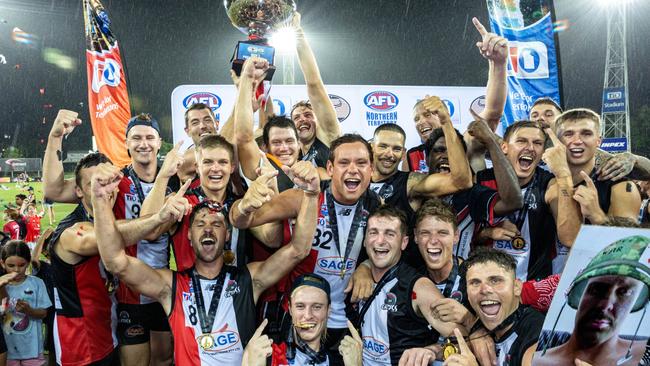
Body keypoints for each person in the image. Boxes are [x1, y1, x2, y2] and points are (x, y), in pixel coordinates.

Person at [92, 157, 320, 365]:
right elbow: (115, 262)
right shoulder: (170, 286)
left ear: (228, 235)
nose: (208, 229)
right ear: (189, 236)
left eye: (217, 224)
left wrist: (310, 195)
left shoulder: (249, 279)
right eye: (200, 224)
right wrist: (101, 199)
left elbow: (298, 249)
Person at [230, 134, 381, 365]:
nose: (353, 170)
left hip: (345, 320)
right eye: (344, 163)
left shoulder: (374, 204)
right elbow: (240, 221)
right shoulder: (304, 196)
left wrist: (366, 265)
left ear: (371, 169)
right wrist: (244, 205)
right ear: (330, 168)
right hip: (298, 316)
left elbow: (390, 253)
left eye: (361, 163)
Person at [43, 110, 176, 365]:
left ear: (160, 142)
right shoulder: (111, 180)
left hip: (161, 287)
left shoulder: (174, 176)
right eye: (136, 137)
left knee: (164, 359)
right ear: (126, 143)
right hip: (126, 294)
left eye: (150, 137)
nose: (143, 143)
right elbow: (53, 189)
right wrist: (56, 137)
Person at [350, 205, 465, 365]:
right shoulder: (357, 277)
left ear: (404, 242)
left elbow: (463, 341)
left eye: (390, 234)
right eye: (373, 232)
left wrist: (432, 352)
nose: (380, 240)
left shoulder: (419, 287)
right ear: (364, 240)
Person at [369, 97, 472, 267]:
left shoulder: (411, 183)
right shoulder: (357, 181)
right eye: (383, 146)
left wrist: (446, 122)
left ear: (403, 153)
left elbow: (462, 181)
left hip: (401, 275)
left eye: (396, 149)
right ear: (371, 147)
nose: (389, 154)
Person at [476, 121, 582, 280]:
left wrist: (564, 176)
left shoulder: (549, 184)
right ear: (504, 147)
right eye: (521, 141)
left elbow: (571, 238)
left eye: (537, 143)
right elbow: (461, 238)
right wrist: (487, 233)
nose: (530, 148)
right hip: (487, 283)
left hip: (531, 289)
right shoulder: (482, 179)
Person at [408, 17, 508, 173]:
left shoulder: (466, 144)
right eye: (416, 119)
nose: (421, 121)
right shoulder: (412, 156)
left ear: (445, 115)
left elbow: (493, 112)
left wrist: (499, 64)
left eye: (427, 114)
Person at [534, 235, 650, 366]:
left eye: (624, 292)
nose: (606, 305)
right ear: (579, 295)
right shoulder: (537, 358)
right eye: (597, 290)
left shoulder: (645, 355)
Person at [426, 114, 523, 259]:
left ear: (462, 159)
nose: (446, 156)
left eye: (453, 152)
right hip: (417, 278)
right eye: (439, 150)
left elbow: (513, 202)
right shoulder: (414, 189)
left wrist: (491, 142)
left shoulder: (472, 194)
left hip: (460, 277)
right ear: (427, 158)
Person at [445, 247, 545, 366]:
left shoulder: (537, 333)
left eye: (495, 280)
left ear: (517, 287)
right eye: (475, 283)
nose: (484, 290)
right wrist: (429, 352)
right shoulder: (480, 326)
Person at [242, 274, 363, 366]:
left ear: (328, 311)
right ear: (290, 309)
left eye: (317, 307)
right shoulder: (265, 357)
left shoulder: (344, 362)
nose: (308, 315)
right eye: (300, 306)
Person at [554, 108, 642, 225]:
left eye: (586, 134)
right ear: (558, 141)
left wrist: (596, 215)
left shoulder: (621, 187)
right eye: (568, 134)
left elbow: (626, 241)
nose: (577, 141)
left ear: (598, 141)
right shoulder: (543, 179)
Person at [529, 97, 650, 182]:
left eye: (548, 114)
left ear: (560, 122)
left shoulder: (580, 152)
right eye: (534, 115)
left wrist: (632, 158)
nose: (540, 118)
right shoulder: (522, 152)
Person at [290, 12, 341, 169]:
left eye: (308, 115)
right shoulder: (292, 157)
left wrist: (297, 32)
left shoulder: (327, 137)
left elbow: (314, 84)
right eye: (296, 118)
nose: (302, 120)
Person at [0, 241, 51, 366]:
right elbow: (2, 313)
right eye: (11, 266)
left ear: (28, 262)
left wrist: (29, 310)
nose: (16, 270)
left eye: (21, 265)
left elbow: (44, 313)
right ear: (2, 263)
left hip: (32, 350)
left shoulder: (37, 283)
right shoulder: (1, 285)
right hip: (8, 351)